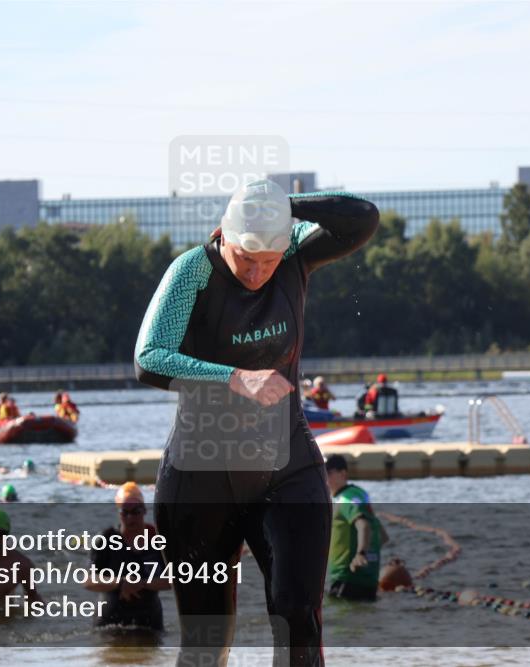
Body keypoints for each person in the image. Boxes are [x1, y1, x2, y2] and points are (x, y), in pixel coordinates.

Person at [134, 179, 379, 666]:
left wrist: (280, 205)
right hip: (201, 477)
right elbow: (149, 359)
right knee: (207, 644)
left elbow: (362, 217)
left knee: (298, 620)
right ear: (225, 234)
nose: (256, 273)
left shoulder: (295, 256)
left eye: (267, 261)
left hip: (285, 467)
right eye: (246, 258)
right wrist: (233, 378)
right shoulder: (193, 271)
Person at [84, 482, 171, 631]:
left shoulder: (157, 540)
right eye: (125, 512)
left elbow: (174, 581)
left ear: (144, 510)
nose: (130, 518)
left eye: (136, 511)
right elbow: (89, 581)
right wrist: (121, 583)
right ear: (119, 514)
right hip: (109, 623)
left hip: (150, 622)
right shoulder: (106, 539)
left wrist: (142, 583)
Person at [324, 455, 389, 602]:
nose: (323, 477)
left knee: (341, 622)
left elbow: (363, 524)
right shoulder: (358, 495)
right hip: (369, 578)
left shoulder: (345, 499)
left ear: (343, 473)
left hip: (348, 577)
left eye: (327, 472)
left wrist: (360, 554)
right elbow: (382, 537)